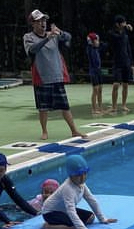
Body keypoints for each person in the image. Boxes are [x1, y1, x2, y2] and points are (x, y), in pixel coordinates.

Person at [23, 9, 87, 141]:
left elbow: (68, 37)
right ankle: (44, 131)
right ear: (33, 24)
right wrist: (47, 38)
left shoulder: (53, 35)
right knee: (43, 108)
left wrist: (60, 32)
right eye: (39, 21)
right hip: (41, 76)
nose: (42, 23)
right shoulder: (28, 37)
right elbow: (33, 50)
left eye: (44, 20)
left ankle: (74, 130)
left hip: (56, 75)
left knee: (65, 105)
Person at [41, 155, 117, 229]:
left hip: (63, 210)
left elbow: (91, 200)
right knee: (73, 228)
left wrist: (103, 219)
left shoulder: (81, 184)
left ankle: (66, 222)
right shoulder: (67, 188)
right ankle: (47, 226)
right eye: (78, 175)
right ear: (71, 175)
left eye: (85, 173)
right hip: (50, 212)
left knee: (91, 218)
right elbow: (71, 210)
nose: (82, 178)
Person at [108, 15, 134, 113]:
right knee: (116, 84)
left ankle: (123, 105)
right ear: (117, 24)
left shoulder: (125, 35)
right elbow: (119, 38)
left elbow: (128, 49)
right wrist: (125, 30)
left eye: (125, 22)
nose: (124, 24)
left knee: (125, 84)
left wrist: (131, 64)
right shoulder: (112, 34)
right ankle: (114, 106)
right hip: (117, 62)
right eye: (123, 23)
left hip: (126, 62)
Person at [86, 32, 108, 116]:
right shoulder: (89, 48)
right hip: (93, 71)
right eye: (95, 40)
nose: (97, 42)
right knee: (95, 90)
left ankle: (100, 107)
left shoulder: (96, 49)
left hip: (99, 71)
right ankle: (94, 109)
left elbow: (105, 45)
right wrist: (90, 40)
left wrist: (98, 39)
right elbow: (89, 44)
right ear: (91, 42)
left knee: (100, 89)